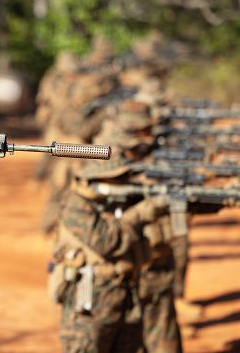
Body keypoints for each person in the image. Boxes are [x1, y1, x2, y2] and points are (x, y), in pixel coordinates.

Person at [49, 101, 182, 353]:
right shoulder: (77, 204)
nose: (125, 180)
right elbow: (108, 241)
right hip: (89, 307)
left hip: (126, 298)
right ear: (98, 178)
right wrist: (142, 213)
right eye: (118, 176)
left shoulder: (123, 197)